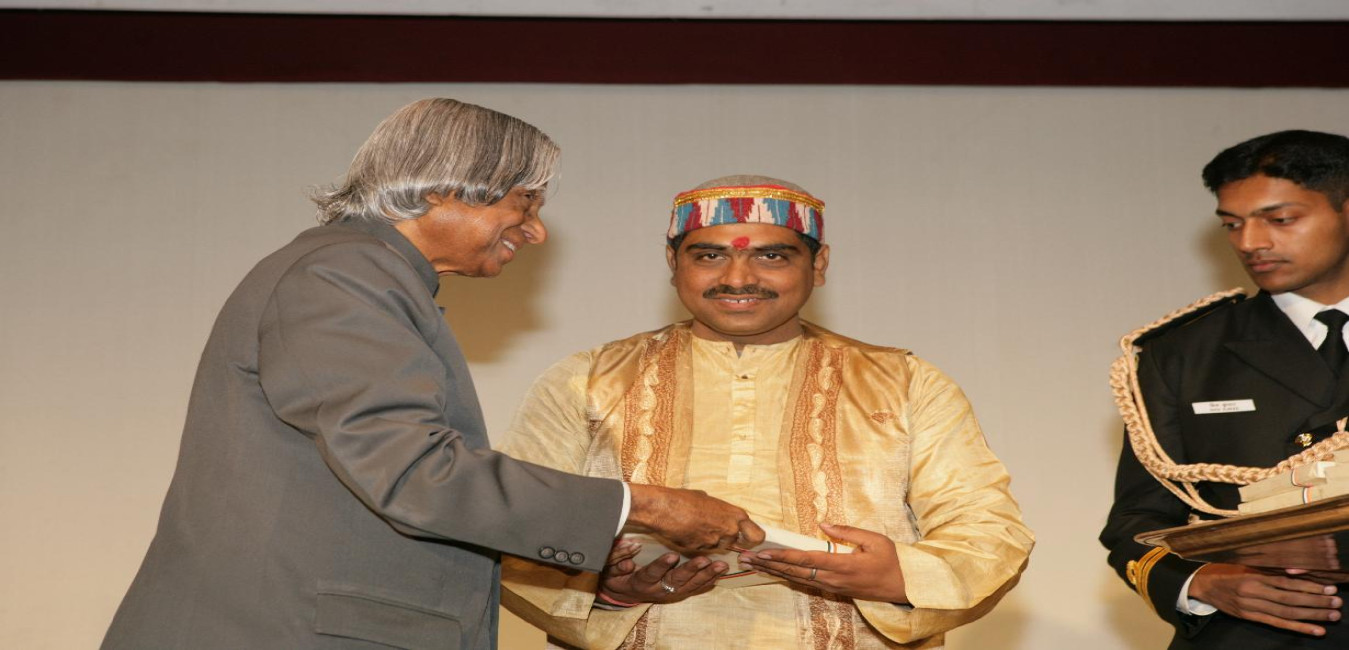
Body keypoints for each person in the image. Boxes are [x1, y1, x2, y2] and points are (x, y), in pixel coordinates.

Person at [100, 98, 762, 650]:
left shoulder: (367, 276)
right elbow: (415, 475)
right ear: (444, 186)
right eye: (524, 202)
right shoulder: (343, 276)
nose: (534, 231)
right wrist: (643, 505)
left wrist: (609, 583)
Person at [498, 175, 1033, 649]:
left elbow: (989, 532)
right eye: (709, 256)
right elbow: (511, 520)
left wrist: (899, 578)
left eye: (772, 257)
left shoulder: (906, 383)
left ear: (818, 264)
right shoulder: (587, 380)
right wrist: (607, 592)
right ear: (673, 264)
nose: (737, 278)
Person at [1101, 130, 1349, 649]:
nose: (1250, 242)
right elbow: (1135, 525)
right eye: (1232, 224)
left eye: (1281, 220)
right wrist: (1200, 582)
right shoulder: (1180, 355)